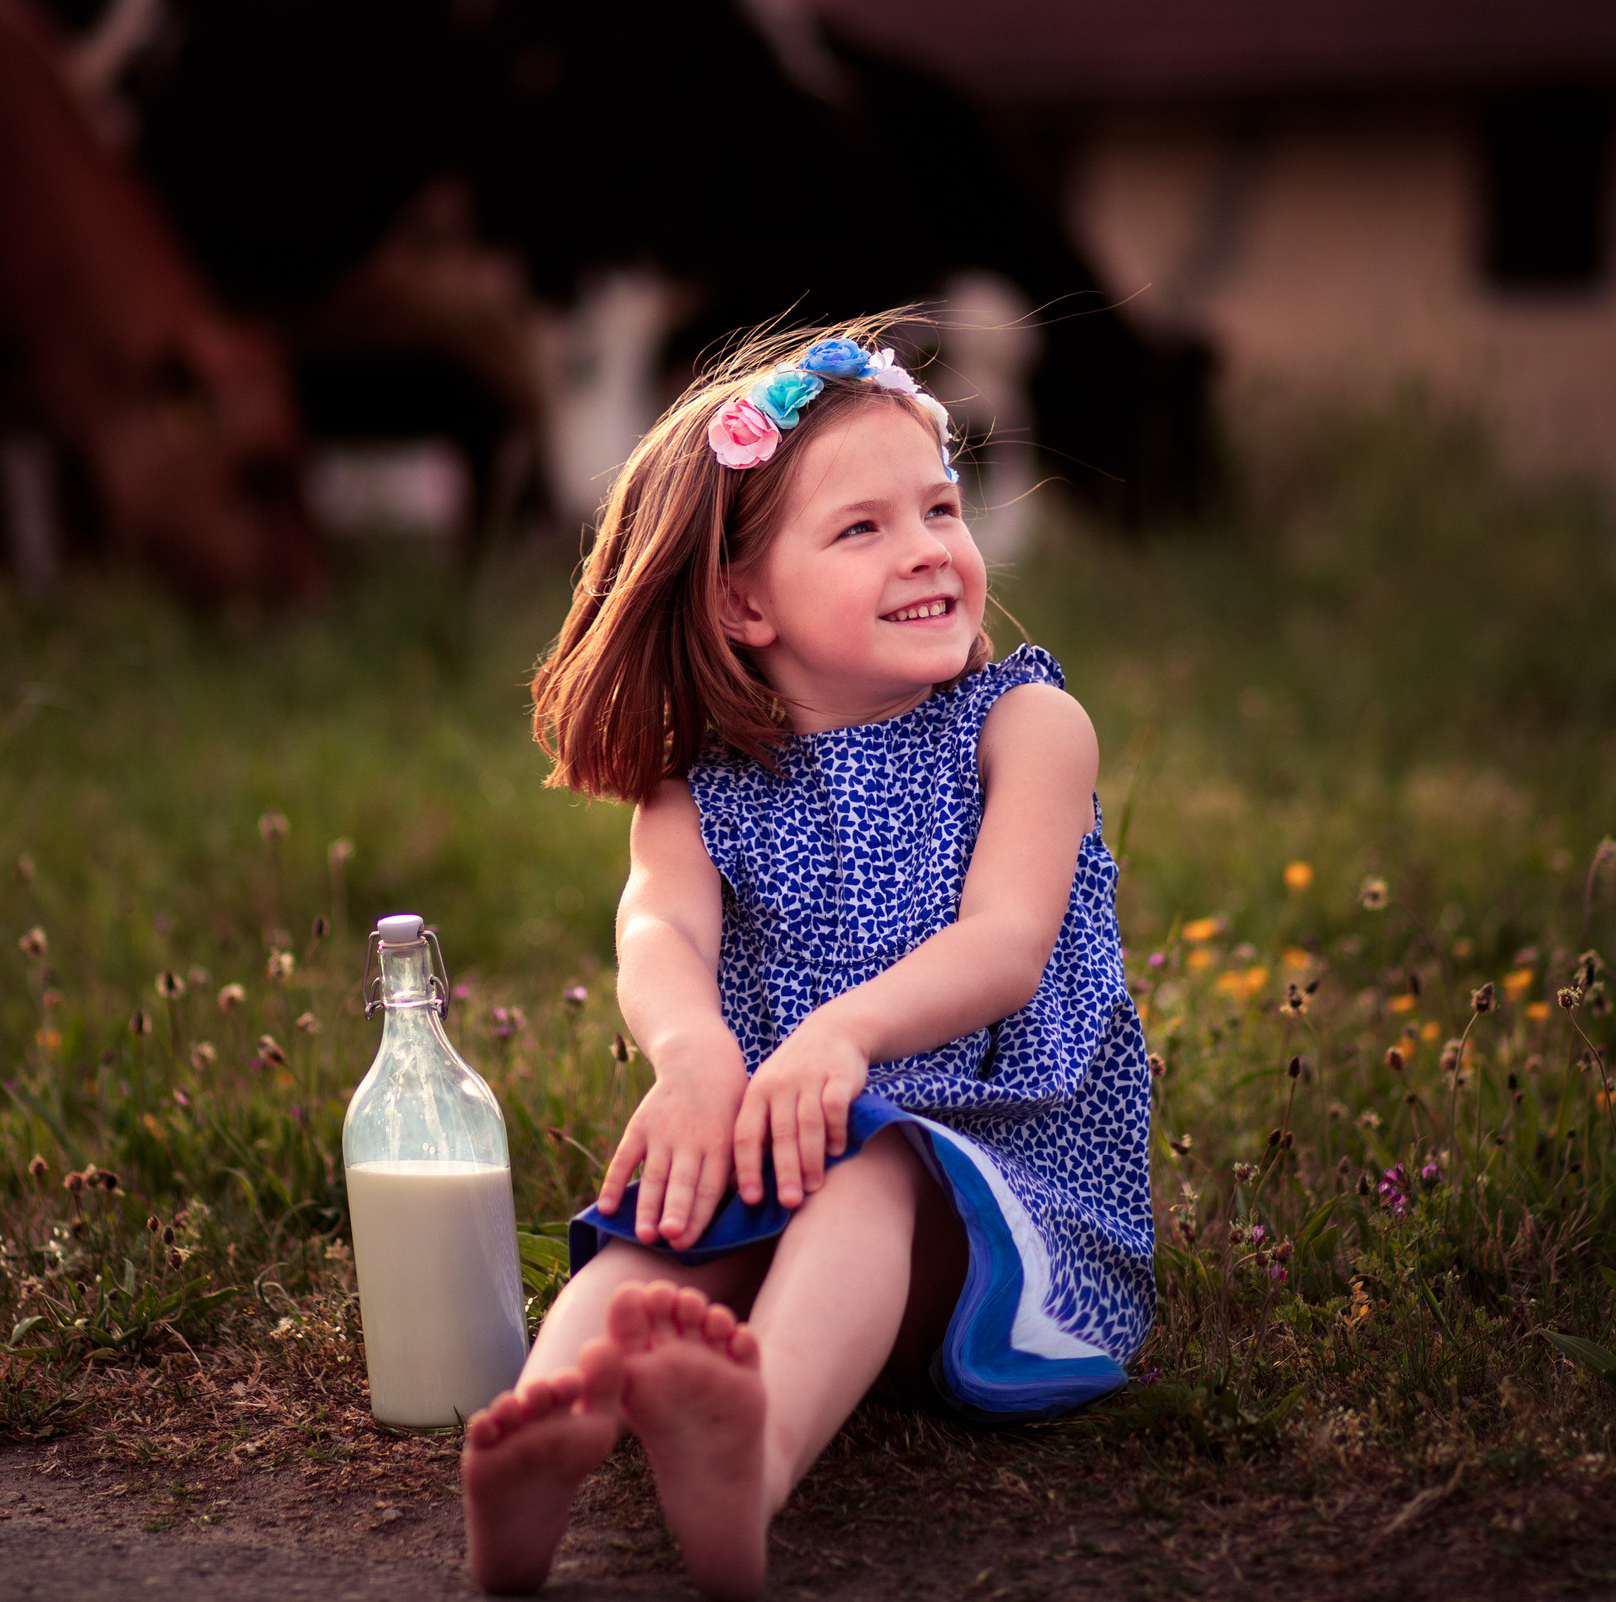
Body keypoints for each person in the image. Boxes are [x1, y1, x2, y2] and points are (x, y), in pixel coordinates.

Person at [462, 317, 1154, 1598]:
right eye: (862, 529)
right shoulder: (701, 788)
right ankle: (546, 1424)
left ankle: (752, 1452)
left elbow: (1005, 946)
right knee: (657, 1223)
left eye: (938, 508)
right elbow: (658, 929)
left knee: (873, 1165)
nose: (928, 548)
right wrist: (694, 1058)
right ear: (743, 601)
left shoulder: (1025, 725)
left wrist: (839, 1036)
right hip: (781, 1136)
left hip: (997, 1178)